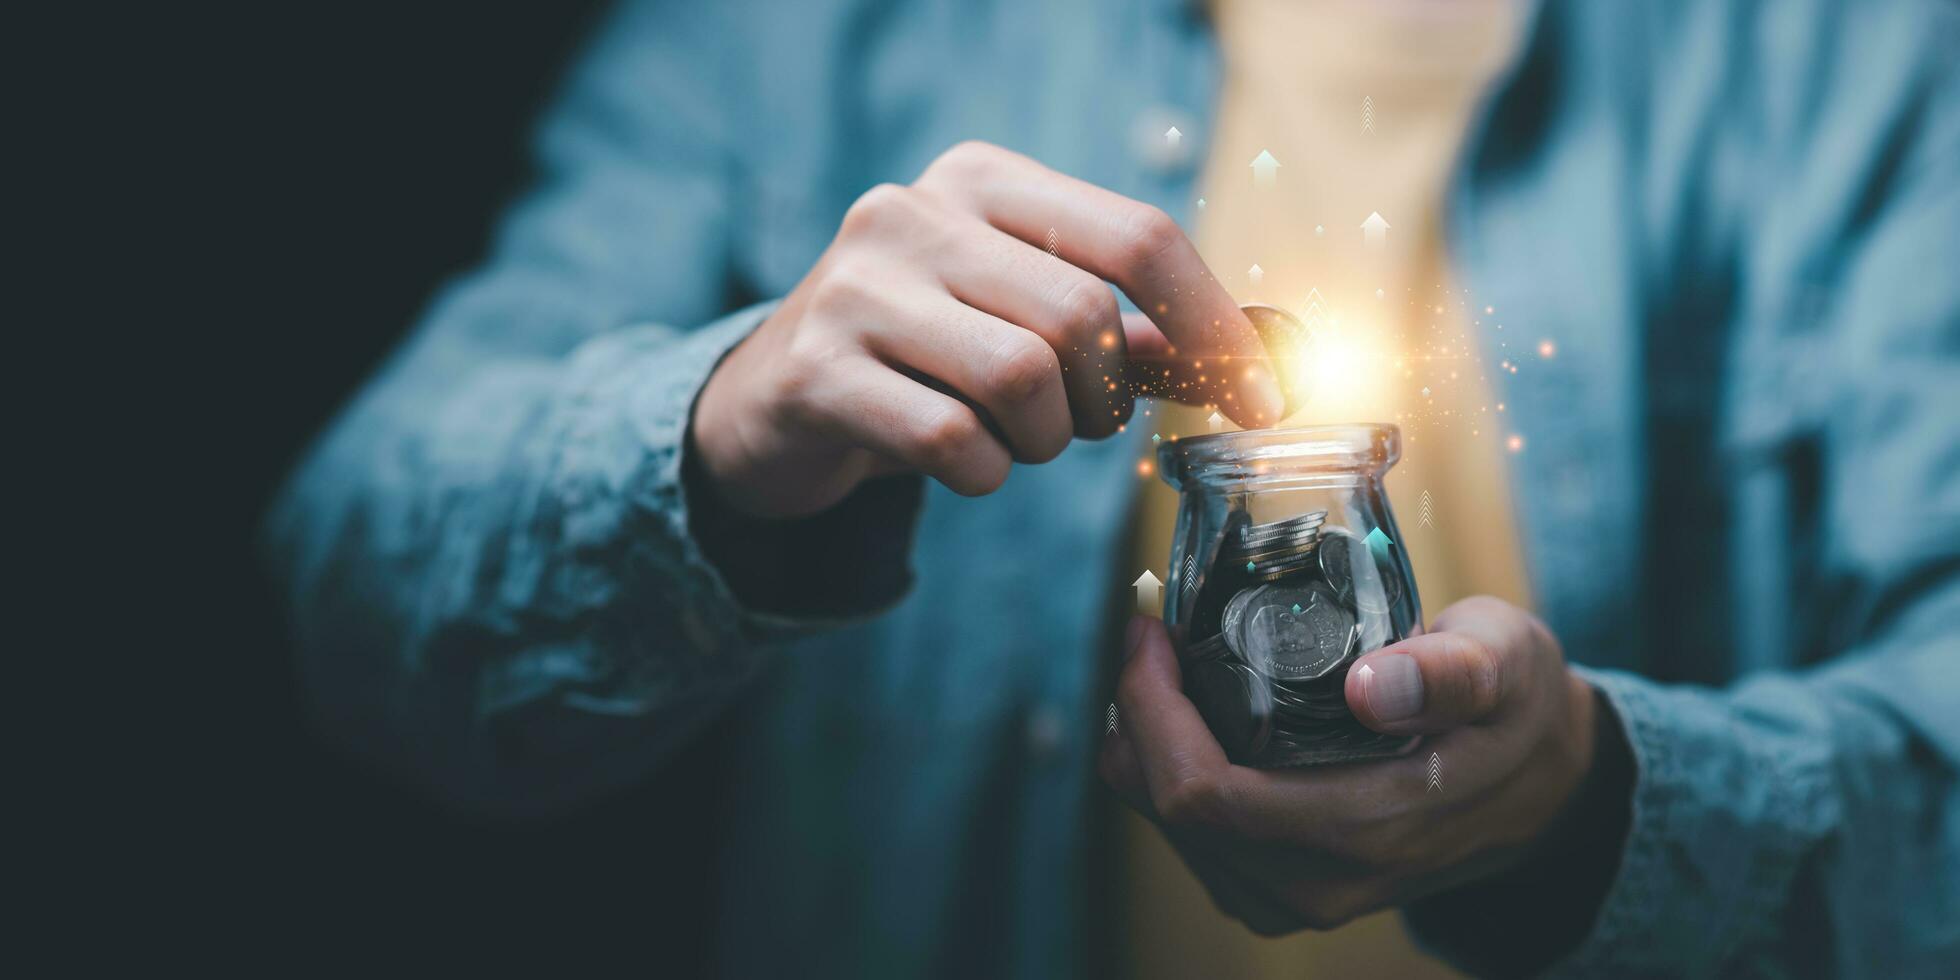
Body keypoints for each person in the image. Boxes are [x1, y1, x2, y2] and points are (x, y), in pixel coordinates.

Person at [265, 0, 1959, 975]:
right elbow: (345, 589)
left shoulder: (1858, 54)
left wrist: (1600, 810)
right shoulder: (791, 36)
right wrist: (710, 438)